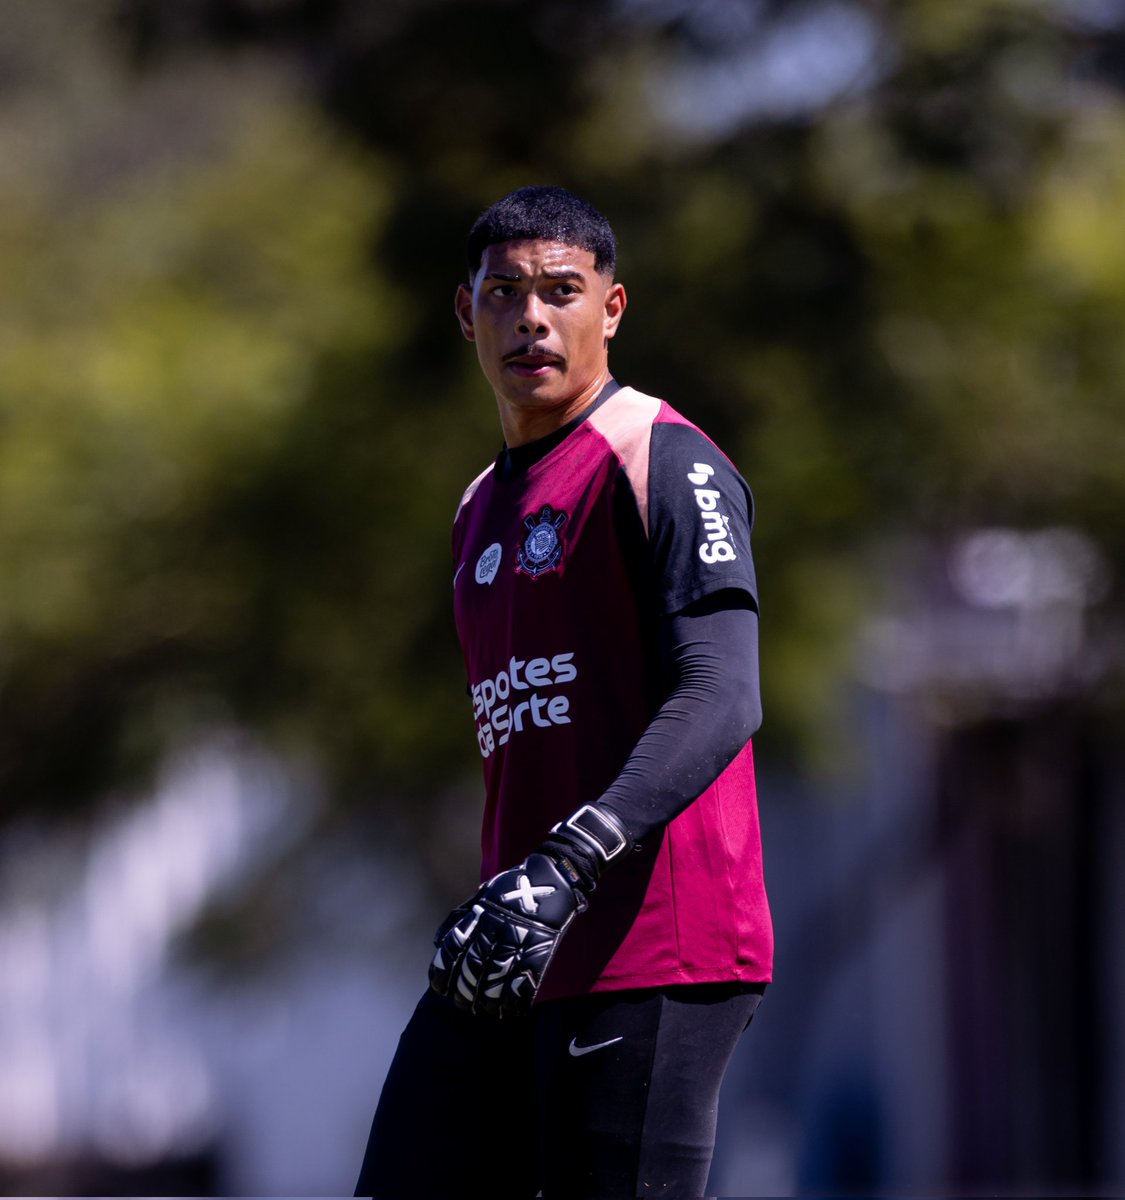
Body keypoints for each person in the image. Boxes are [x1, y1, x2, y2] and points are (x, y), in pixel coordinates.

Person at [355, 186, 773, 1199]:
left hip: (657, 948)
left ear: (612, 308)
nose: (532, 317)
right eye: (505, 294)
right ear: (468, 313)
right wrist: (518, 893)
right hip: (518, 948)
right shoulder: (476, 509)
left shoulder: (662, 458)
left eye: (562, 291)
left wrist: (570, 861)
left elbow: (723, 692)